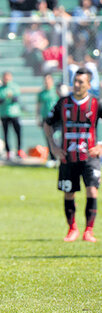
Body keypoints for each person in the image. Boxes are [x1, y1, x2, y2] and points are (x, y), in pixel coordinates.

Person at [44, 67, 102, 243]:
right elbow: (47, 124)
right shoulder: (63, 103)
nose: (76, 85)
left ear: (89, 84)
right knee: (69, 193)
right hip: (67, 157)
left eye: (80, 82)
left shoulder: (96, 103)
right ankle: (72, 229)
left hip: (90, 157)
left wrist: (100, 145)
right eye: (75, 81)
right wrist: (54, 148)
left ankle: (89, 231)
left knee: (92, 191)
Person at [0, 71, 26, 160]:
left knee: (18, 132)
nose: (6, 79)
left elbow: (15, 99)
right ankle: (8, 152)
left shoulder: (14, 87)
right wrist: (6, 98)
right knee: (6, 134)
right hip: (4, 114)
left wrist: (8, 98)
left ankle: (19, 150)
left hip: (14, 113)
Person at [37, 74, 59, 167]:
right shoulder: (41, 93)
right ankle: (52, 158)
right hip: (46, 119)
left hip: (56, 118)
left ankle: (60, 157)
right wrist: (37, 117)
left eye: (48, 80)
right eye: (45, 80)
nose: (47, 82)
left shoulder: (56, 91)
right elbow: (38, 106)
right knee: (49, 138)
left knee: (57, 137)